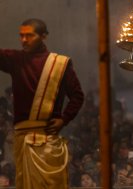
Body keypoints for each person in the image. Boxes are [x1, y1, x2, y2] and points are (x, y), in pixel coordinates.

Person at [0, 18, 84, 189]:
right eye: (21, 36)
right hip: (22, 139)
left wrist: (64, 119)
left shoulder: (60, 64)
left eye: (29, 36)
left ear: (44, 36)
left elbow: (77, 96)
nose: (24, 40)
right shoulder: (16, 59)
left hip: (47, 140)